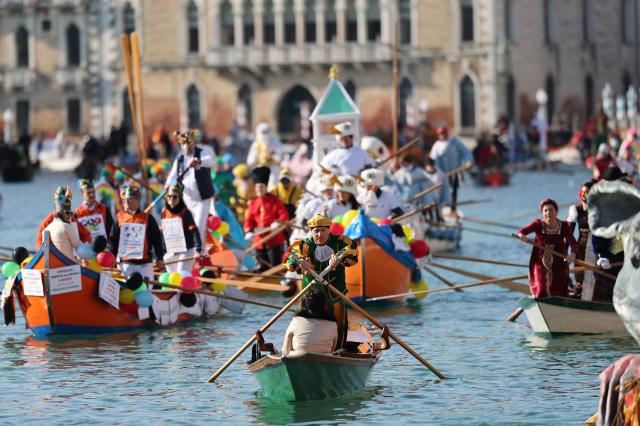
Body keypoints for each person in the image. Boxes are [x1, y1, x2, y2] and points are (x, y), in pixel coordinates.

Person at [286, 214, 358, 349]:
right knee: (306, 320)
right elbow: (291, 257)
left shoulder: (340, 242)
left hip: (335, 290)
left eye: (323, 230)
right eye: (316, 231)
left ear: (329, 230)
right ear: (311, 232)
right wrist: (301, 261)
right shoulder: (304, 245)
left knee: (338, 320)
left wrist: (338, 257)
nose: (320, 234)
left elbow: (352, 250)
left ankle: (338, 349)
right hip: (311, 292)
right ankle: (303, 348)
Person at [516, 198, 579, 298]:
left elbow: (574, 244)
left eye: (551, 210)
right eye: (545, 210)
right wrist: (521, 236)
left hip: (559, 264)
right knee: (541, 290)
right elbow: (521, 231)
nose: (548, 213)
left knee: (557, 294)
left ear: (556, 212)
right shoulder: (537, 224)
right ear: (542, 213)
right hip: (540, 263)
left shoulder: (564, 226)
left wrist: (572, 254)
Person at [166, 130, 216, 249]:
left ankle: (200, 252)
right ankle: (190, 250)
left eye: (189, 145)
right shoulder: (180, 159)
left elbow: (211, 161)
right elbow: (173, 176)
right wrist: (168, 185)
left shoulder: (202, 152)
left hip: (202, 198)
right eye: (184, 146)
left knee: (199, 225)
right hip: (187, 198)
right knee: (189, 225)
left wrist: (199, 161)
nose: (187, 148)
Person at [109, 185, 165, 280]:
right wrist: (111, 259)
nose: (126, 201)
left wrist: (160, 257)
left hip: (145, 264)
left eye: (130, 198)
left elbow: (157, 240)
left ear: (138, 201)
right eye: (125, 199)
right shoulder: (118, 218)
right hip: (126, 265)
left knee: (146, 292)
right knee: (128, 293)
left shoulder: (148, 218)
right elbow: (113, 241)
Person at [244, 167, 290, 269]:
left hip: (273, 238)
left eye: (261, 187)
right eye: (257, 188)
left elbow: (284, 215)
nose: (259, 190)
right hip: (259, 240)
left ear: (266, 187)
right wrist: (248, 231)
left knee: (275, 266)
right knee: (262, 266)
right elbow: (249, 219)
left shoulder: (275, 200)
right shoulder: (253, 202)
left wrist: (278, 223)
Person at [281, 286, 338, 356]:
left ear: (305, 304)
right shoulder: (333, 324)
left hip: (297, 359)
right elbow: (332, 349)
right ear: (325, 306)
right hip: (324, 361)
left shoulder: (296, 320)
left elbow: (285, 351)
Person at [429, 126, 473, 215]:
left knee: (453, 191)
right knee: (439, 192)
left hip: (455, 172)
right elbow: (432, 160)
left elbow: (466, 152)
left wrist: (469, 161)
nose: (442, 136)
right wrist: (431, 168)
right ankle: (440, 211)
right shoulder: (436, 146)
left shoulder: (455, 142)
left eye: (443, 134)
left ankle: (453, 210)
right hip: (441, 174)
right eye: (440, 134)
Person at [160, 182, 202, 273]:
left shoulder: (185, 212)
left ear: (180, 198)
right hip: (171, 251)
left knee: (181, 274)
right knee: (172, 278)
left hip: (186, 250)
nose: (171, 199)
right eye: (169, 196)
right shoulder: (164, 212)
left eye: (175, 197)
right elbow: (163, 234)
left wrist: (198, 250)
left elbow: (194, 231)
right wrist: (162, 252)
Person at [566, 180, 597, 299]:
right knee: (579, 279)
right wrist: (565, 252)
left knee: (596, 279)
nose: (584, 196)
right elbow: (568, 234)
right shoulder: (575, 209)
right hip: (581, 248)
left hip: (597, 249)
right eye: (583, 193)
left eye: (588, 193)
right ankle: (578, 294)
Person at [43, 191, 82, 260]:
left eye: (70, 213)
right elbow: (79, 247)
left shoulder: (46, 229)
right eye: (67, 213)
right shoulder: (66, 226)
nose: (69, 216)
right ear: (60, 213)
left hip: (53, 266)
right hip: (68, 266)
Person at [246, 122, 283, 189]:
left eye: (266, 132)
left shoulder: (275, 142)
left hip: (272, 168)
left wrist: (272, 155)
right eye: (263, 132)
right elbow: (250, 160)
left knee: (272, 187)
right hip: (260, 168)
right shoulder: (256, 144)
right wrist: (257, 158)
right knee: (260, 185)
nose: (264, 135)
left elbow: (279, 157)